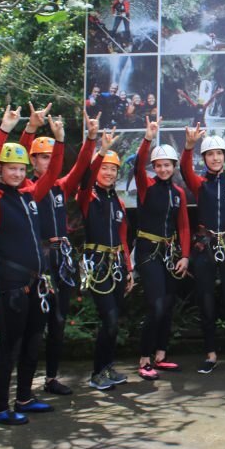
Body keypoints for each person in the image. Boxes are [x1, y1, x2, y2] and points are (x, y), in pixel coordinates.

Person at [0, 105, 65, 425]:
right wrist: (6, 129)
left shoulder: (29, 194)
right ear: (1, 171)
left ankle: (25, 398)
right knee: (10, 348)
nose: (16, 173)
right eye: (9, 168)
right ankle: (1, 409)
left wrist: (59, 140)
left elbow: (53, 171)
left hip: (36, 283)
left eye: (20, 168)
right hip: (11, 283)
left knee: (32, 343)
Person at [17, 104, 98, 396]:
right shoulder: (26, 187)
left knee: (59, 321)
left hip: (61, 260)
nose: (50, 163)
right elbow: (19, 153)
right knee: (34, 326)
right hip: (38, 261)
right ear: (33, 161)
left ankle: (51, 378)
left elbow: (80, 168)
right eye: (43, 158)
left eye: (53, 158)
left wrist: (91, 139)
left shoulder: (61, 187)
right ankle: (25, 385)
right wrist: (30, 130)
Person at [181, 125, 225, 373]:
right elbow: (184, 169)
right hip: (204, 250)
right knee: (206, 303)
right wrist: (189, 146)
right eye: (210, 154)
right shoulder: (200, 185)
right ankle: (210, 354)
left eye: (219, 153)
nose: (215, 158)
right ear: (204, 158)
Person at [76, 128, 135, 390]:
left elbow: (123, 238)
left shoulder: (117, 201)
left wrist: (129, 269)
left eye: (113, 169)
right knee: (109, 318)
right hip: (97, 265)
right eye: (104, 168)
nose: (109, 173)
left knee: (115, 319)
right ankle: (96, 372)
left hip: (117, 265)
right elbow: (85, 178)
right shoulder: (88, 196)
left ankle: (107, 367)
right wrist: (99, 151)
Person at [134, 117, 191, 380]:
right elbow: (137, 167)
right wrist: (148, 138)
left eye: (167, 165)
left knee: (167, 305)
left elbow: (184, 227)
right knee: (156, 305)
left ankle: (160, 354)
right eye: (158, 165)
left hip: (170, 254)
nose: (163, 169)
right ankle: (144, 358)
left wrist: (186, 257)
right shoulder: (147, 188)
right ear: (154, 167)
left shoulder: (178, 193)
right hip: (148, 253)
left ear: (173, 166)